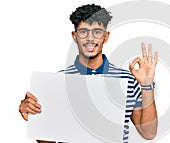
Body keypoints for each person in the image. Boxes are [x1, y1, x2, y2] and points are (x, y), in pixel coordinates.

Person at [18, 4, 158, 143]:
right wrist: (34, 119)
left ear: (106, 36)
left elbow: (148, 133)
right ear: (75, 36)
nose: (90, 38)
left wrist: (146, 85)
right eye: (83, 32)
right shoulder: (58, 82)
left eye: (97, 32)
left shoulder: (127, 80)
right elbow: (47, 141)